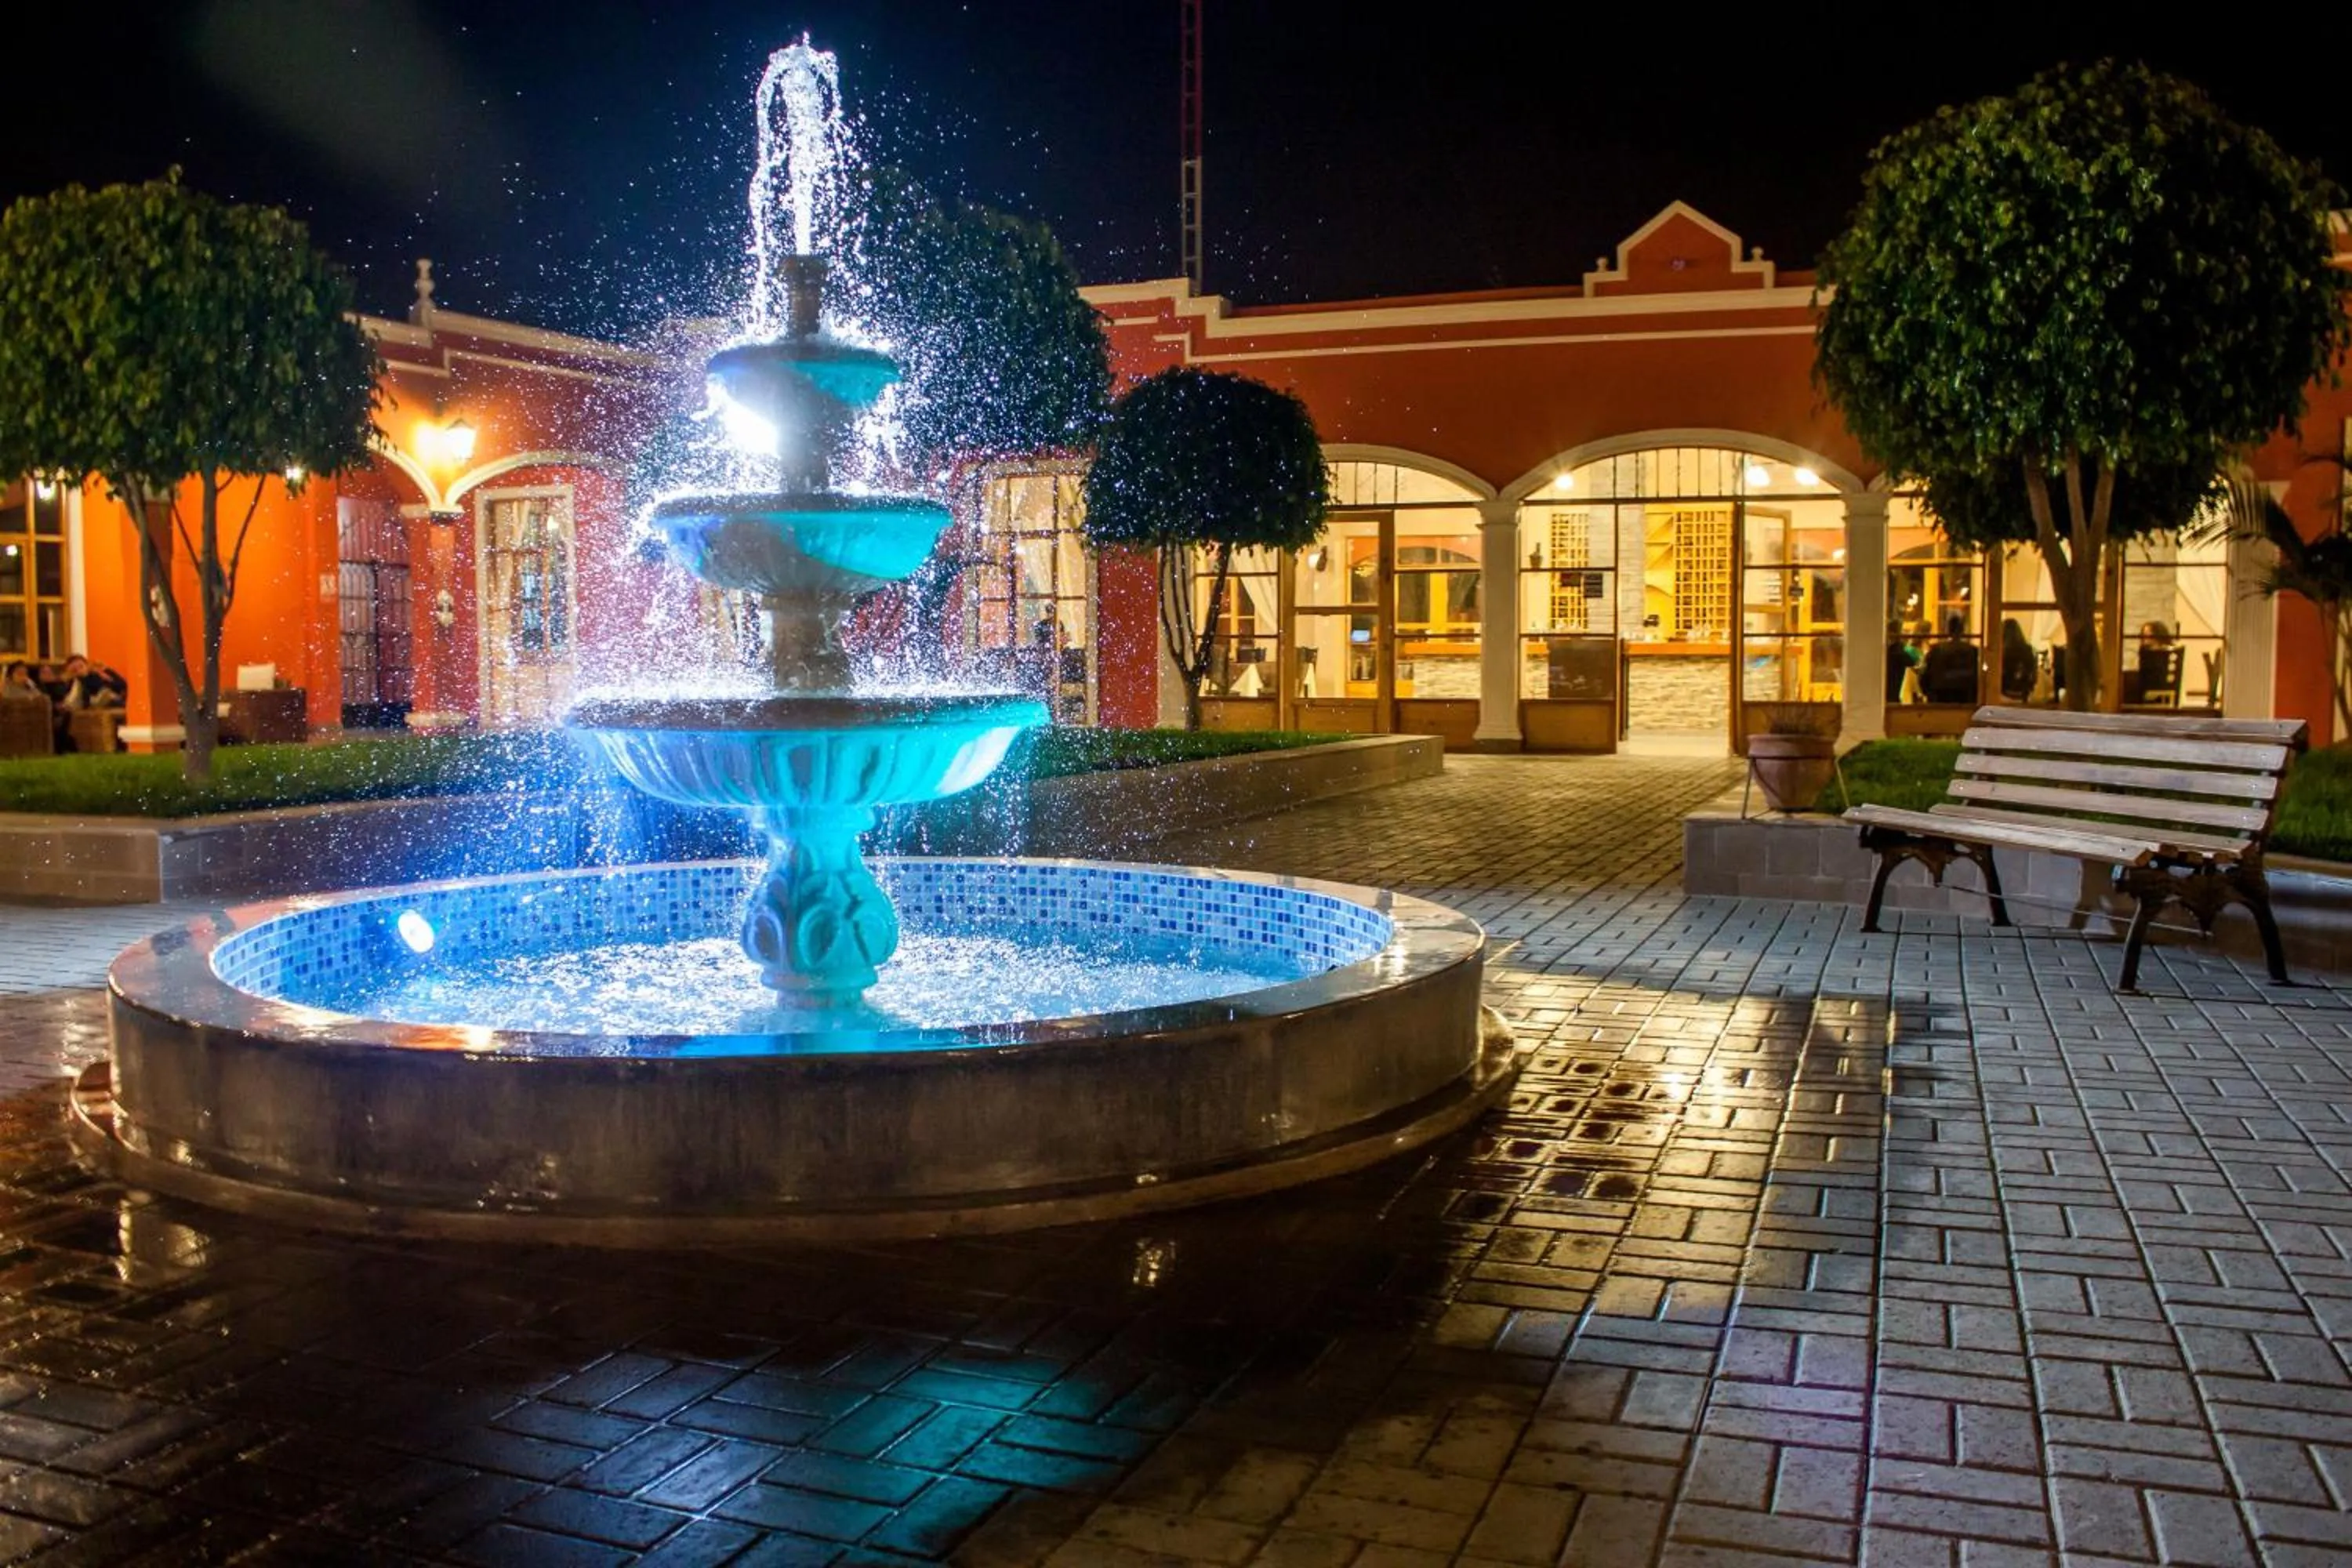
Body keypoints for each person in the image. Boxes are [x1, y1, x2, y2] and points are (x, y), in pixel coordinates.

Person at [1920, 615, 1980, 703]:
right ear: (1963, 630)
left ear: (1947, 630)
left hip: (1940, 699)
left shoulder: (1936, 650)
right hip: (1966, 700)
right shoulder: (1973, 651)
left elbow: (1924, 677)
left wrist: (1929, 694)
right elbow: (1980, 677)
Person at [1999, 619, 2037, 702]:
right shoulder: (2028, 649)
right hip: (2024, 693)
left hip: (2004, 692)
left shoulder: (2002, 651)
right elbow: (2032, 674)